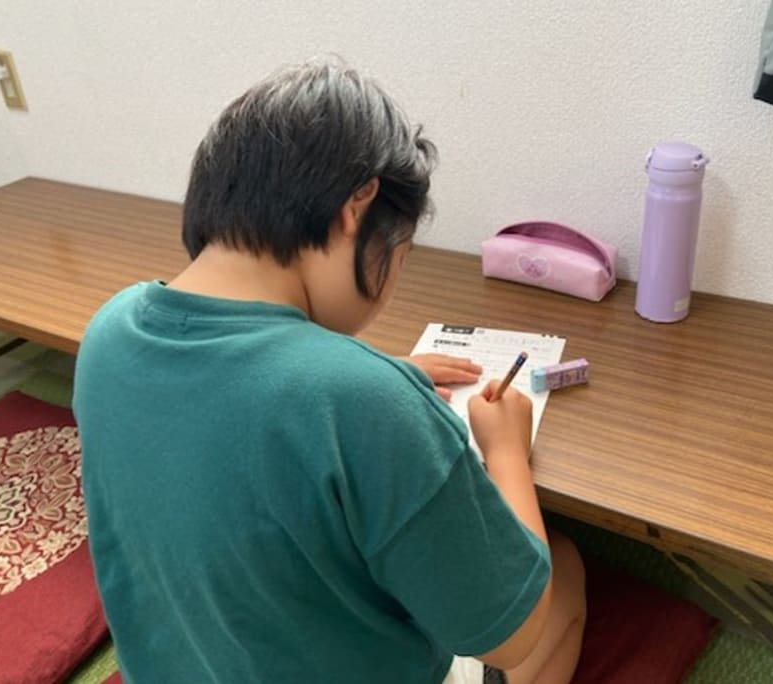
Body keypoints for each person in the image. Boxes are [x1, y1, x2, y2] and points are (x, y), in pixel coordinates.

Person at [73, 58, 586, 684]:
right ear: (356, 208)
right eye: (400, 255)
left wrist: (371, 379)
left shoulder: (109, 329)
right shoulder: (365, 403)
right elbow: (511, 637)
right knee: (561, 571)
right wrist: (505, 452)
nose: (391, 284)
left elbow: (234, 403)